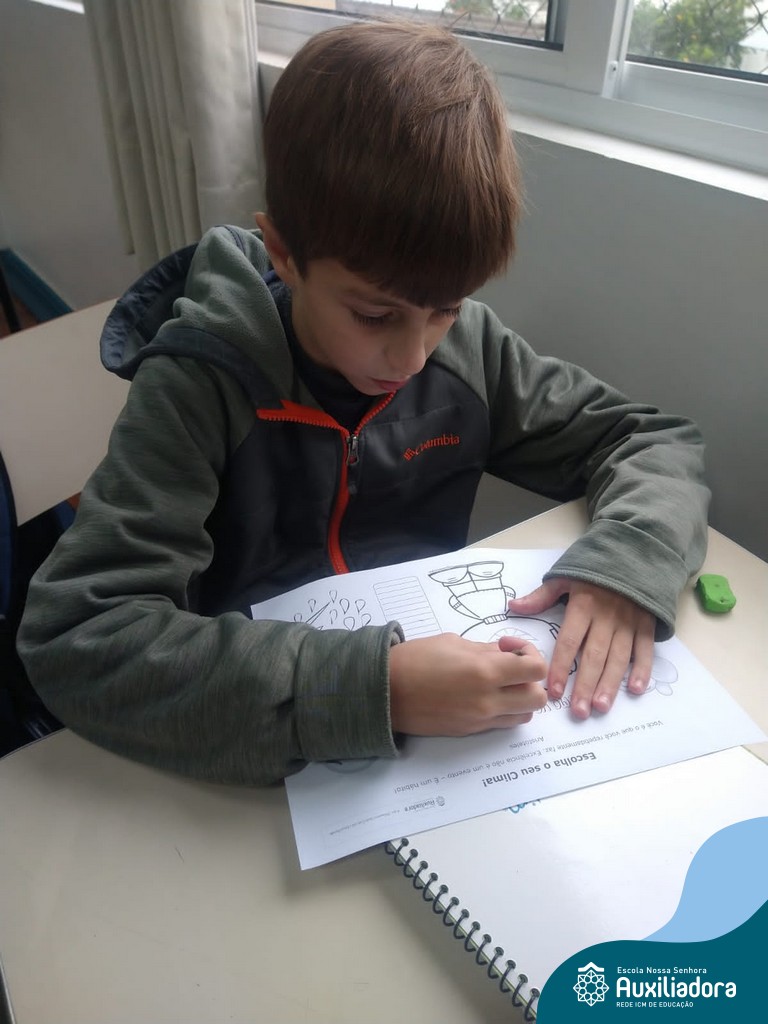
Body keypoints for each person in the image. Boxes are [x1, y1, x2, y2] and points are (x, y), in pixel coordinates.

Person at [17, 20, 708, 785]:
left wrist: (626, 565)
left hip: (432, 759)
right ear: (284, 255)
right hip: (244, 745)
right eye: (375, 315)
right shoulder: (199, 385)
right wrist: (375, 688)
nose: (413, 357)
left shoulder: (469, 350)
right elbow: (77, 637)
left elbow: (650, 442)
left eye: (445, 308)